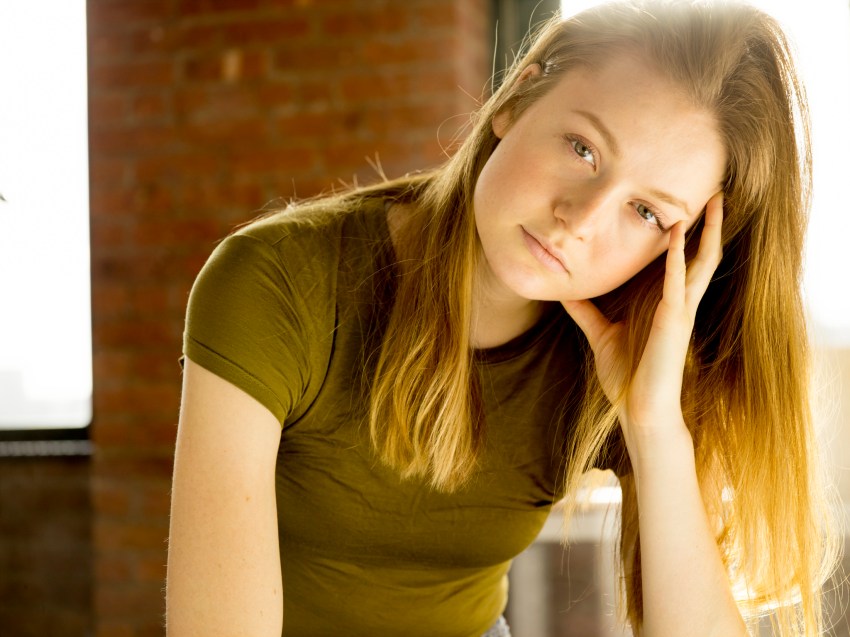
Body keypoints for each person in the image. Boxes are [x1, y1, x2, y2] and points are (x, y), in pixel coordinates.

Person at [165, 1, 841, 635]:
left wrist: (654, 423)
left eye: (646, 212)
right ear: (517, 99)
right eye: (582, 147)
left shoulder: (634, 350)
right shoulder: (273, 279)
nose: (578, 220)